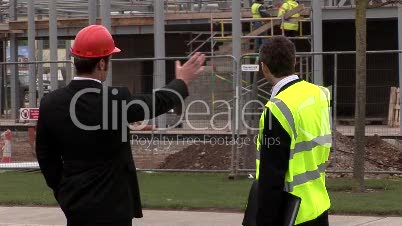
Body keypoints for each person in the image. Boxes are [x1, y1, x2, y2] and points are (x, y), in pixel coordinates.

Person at [35, 25, 205, 226]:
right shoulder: (116, 100)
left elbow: (46, 156)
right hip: (114, 206)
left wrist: (63, 189)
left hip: (75, 205)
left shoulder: (50, 103)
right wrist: (182, 81)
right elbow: (157, 102)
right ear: (101, 64)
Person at [253, 36, 331, 225]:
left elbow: (271, 176)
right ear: (294, 61)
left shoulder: (277, 109)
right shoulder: (320, 94)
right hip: (318, 206)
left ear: (264, 67)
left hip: (292, 214)